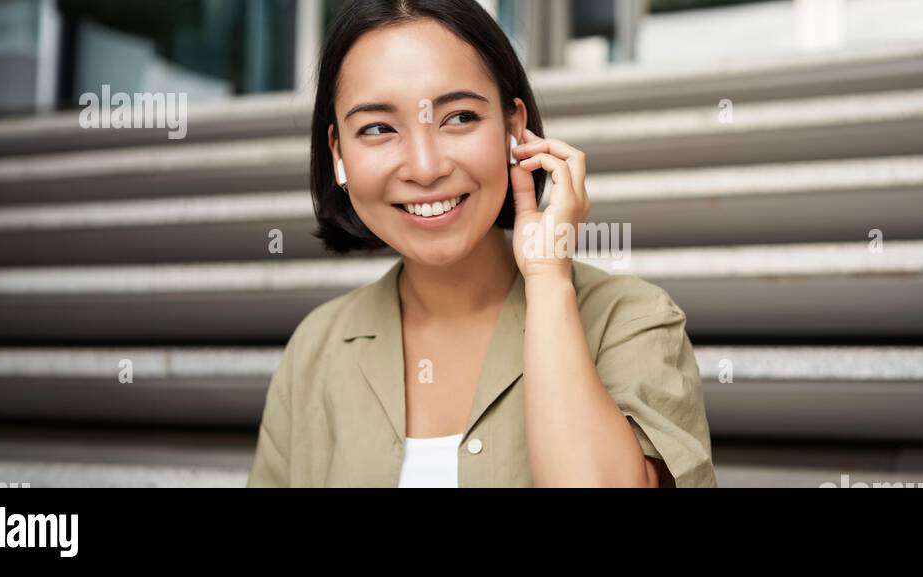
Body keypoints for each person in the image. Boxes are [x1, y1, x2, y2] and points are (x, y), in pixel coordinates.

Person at [248, 0, 716, 488]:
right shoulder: (316, 349)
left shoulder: (632, 320)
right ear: (338, 153)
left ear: (514, 128)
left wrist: (548, 282)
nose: (425, 167)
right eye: (378, 128)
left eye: (459, 117)